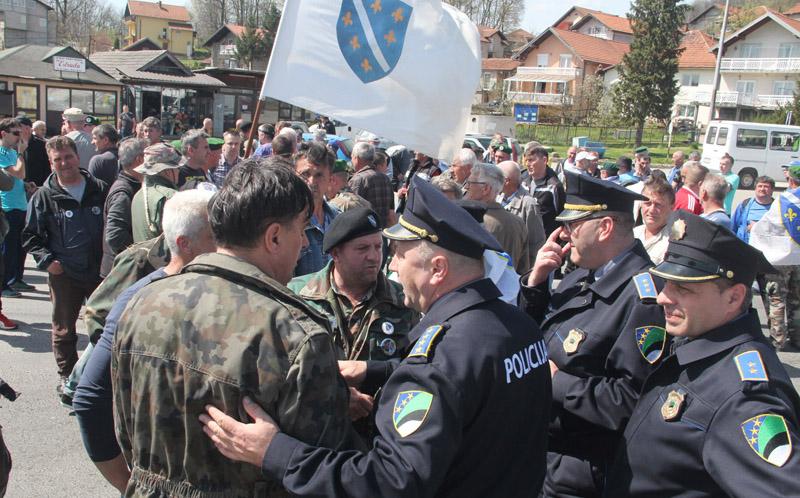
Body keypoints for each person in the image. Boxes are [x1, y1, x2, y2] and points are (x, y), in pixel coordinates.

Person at [198, 176, 551, 497]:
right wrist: (372, 370)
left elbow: (390, 483)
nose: (391, 266)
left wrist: (276, 452)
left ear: (438, 269)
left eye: (397, 254)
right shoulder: (518, 327)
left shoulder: (438, 357)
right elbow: (468, 384)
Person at [113, 159, 357, 496]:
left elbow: (126, 431)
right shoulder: (296, 334)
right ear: (274, 236)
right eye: (301, 230)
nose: (304, 244)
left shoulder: (143, 301)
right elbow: (317, 474)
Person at [605, 211, 800, 497]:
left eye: (682, 288)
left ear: (733, 297)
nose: (662, 297)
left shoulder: (744, 398)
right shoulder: (697, 344)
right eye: (666, 284)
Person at [519, 171, 666, 497]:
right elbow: (530, 339)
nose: (565, 235)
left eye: (574, 226)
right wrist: (536, 284)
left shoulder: (645, 298)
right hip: (544, 457)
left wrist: (558, 381)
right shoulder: (579, 277)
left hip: (582, 472)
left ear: (605, 228)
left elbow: (633, 402)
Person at [73, 190, 216, 494]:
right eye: (214, 236)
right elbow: (88, 398)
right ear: (183, 244)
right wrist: (126, 483)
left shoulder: (216, 297)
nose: (224, 246)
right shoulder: (139, 299)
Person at [22, 136, 108, 404]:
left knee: (104, 328)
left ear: (77, 157)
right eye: (57, 159)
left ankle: (102, 377)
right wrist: (49, 262)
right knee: (64, 330)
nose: (64, 163)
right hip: (65, 275)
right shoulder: (44, 197)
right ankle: (67, 376)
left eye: (68, 157)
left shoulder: (100, 189)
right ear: (51, 163)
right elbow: (30, 237)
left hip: (99, 273)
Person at [750, 160, 800, 351]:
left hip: (780, 260)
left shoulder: (782, 201)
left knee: (777, 300)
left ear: (791, 178)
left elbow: (764, 228)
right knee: (797, 301)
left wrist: (754, 228)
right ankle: (798, 338)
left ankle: (778, 340)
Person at [465, 162, 530, 274]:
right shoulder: (518, 223)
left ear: (485, 188)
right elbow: (523, 267)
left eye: (470, 183)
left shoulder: (473, 221)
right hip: (509, 289)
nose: (466, 187)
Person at [100, 138, 146, 278]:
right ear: (139, 159)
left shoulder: (133, 186)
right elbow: (114, 235)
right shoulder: (124, 192)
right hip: (121, 273)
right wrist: (142, 251)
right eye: (147, 156)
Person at [294, 141, 340, 276]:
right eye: (305, 174)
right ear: (294, 176)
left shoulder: (338, 219)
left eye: (319, 175)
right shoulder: (289, 222)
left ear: (330, 179)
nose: (312, 181)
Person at [0, 119, 28, 299]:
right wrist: (21, 154)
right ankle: (8, 282)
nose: (19, 137)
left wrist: (26, 185)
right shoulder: (3, 153)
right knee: (9, 248)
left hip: (20, 203)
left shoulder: (12, 152)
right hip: (8, 206)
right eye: (16, 133)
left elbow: (21, 177)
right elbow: (18, 172)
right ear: (4, 133)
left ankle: (17, 278)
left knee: (20, 247)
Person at [130, 143, 180, 242]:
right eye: (177, 168)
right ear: (167, 171)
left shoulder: (137, 196)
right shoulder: (170, 197)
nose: (179, 172)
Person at [497, 160, 546, 259]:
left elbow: (536, 243)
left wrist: (530, 272)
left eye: (496, 177)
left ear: (506, 181)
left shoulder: (528, 205)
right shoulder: (497, 197)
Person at [349, 141, 395, 228]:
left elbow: (351, 212)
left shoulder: (357, 180)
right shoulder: (385, 178)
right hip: (381, 233)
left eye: (352, 157)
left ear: (357, 158)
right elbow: (391, 214)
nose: (351, 160)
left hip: (363, 234)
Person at [522, 144, 564, 236]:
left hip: (545, 238)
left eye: (531, 160)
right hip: (524, 236)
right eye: (526, 161)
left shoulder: (554, 186)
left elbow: (561, 215)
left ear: (544, 160)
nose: (527, 164)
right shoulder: (523, 180)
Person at [634, 176, 675, 265]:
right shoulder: (632, 233)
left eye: (658, 205)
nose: (652, 210)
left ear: (671, 208)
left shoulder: (673, 243)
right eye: (647, 203)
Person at [731, 175, 774, 243]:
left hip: (767, 247)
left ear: (772, 190)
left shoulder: (777, 208)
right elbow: (733, 227)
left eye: (766, 187)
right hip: (745, 247)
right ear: (755, 189)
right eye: (760, 186)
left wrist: (756, 228)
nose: (762, 189)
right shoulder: (744, 205)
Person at [25, 120, 50, 188]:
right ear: (34, 129)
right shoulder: (26, 142)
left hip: (42, 181)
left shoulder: (46, 142)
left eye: (45, 130)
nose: (44, 132)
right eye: (42, 130)